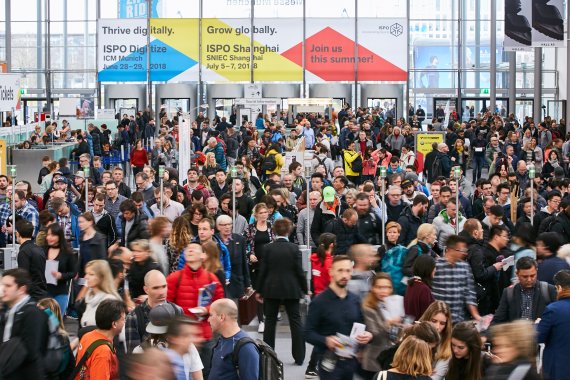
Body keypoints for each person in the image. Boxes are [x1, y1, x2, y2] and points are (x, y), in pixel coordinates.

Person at [305, 255, 373, 379]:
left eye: (348, 270)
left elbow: (363, 325)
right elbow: (307, 332)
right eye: (340, 270)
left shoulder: (355, 299)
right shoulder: (319, 302)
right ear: (331, 271)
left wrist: (368, 335)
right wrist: (326, 340)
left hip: (350, 362)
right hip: (329, 362)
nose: (344, 275)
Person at [166, 242, 225, 379]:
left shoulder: (211, 278)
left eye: (194, 248)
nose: (190, 250)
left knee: (207, 372)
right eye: (188, 249)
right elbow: (167, 305)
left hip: (205, 335)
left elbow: (220, 303)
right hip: (183, 336)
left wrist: (206, 309)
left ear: (203, 255)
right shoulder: (175, 278)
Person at [256, 218, 307, 365]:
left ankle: (269, 356)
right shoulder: (294, 248)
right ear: (289, 231)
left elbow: (263, 271)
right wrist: (305, 289)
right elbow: (299, 272)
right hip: (291, 289)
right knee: (295, 322)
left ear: (274, 231)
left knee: (270, 322)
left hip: (271, 289)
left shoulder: (267, 248)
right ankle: (299, 356)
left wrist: (259, 290)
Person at [0, 268, 49, 380]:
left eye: (8, 286)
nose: (3, 290)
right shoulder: (8, 311)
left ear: (21, 289)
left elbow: (32, 351)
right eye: (3, 285)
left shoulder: (33, 313)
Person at [125, 269, 183, 353]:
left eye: (164, 286)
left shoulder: (178, 311)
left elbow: (185, 347)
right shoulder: (134, 317)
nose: (161, 292)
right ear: (146, 290)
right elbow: (134, 357)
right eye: (155, 288)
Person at [73, 299, 127, 380]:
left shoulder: (87, 336)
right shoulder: (103, 352)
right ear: (114, 324)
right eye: (123, 319)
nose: (124, 322)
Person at [432, 235, 481, 323]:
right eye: (461, 250)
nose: (464, 253)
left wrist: (475, 315)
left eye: (465, 250)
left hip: (457, 319)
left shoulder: (465, 267)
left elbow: (469, 293)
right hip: (438, 319)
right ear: (450, 249)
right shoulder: (436, 265)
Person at [493, 257, 557, 324]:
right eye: (525, 277)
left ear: (537, 271)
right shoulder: (509, 293)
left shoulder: (549, 290)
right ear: (517, 274)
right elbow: (498, 319)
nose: (529, 280)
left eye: (532, 276)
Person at [208, 298, 260, 380]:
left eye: (211, 315)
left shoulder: (246, 348)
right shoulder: (221, 340)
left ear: (222, 317)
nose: (208, 320)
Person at [360, 273, 396, 379]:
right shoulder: (368, 308)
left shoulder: (393, 305)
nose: (384, 291)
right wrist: (389, 323)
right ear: (373, 288)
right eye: (380, 287)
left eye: (387, 287)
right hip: (373, 363)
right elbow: (374, 332)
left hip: (390, 362)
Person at [537, 269, 570, 380]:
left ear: (559, 288)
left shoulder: (553, 309)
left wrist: (537, 325)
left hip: (559, 369)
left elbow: (538, 337)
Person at [45, 223, 77, 316]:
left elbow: (73, 272)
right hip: (44, 292)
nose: (49, 238)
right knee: (45, 322)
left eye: (53, 235)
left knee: (56, 322)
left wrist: (61, 275)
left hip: (60, 292)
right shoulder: (42, 251)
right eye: (48, 235)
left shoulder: (67, 253)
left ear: (59, 236)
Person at [79, 260, 122, 329]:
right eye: (86, 273)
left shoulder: (110, 300)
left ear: (102, 277)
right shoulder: (90, 299)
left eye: (91, 274)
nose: (86, 277)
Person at [418, 301, 453, 380]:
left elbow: (436, 377)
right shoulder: (414, 336)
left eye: (442, 323)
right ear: (427, 319)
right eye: (434, 321)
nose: (437, 327)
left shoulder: (446, 344)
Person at [15, 219, 47, 300]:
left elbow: (23, 277)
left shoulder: (24, 252)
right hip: (42, 292)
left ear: (17, 234)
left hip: (32, 295)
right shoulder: (39, 249)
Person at [404, 254, 436, 320]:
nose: (435, 270)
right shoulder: (424, 289)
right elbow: (427, 315)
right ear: (427, 269)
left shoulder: (411, 284)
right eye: (434, 267)